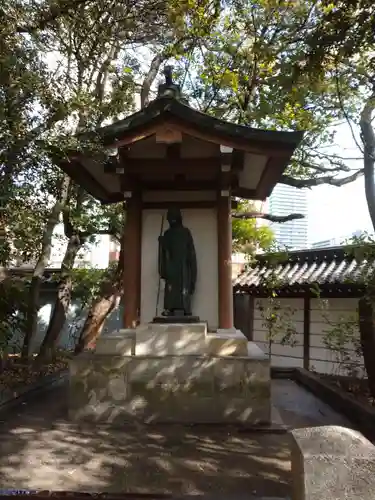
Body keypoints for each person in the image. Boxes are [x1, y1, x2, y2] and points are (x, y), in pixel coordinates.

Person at [158, 207, 197, 316]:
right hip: (171, 265)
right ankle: (170, 308)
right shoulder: (167, 234)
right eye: (170, 218)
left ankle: (185, 308)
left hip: (183, 265)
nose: (171, 220)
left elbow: (191, 252)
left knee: (183, 287)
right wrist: (162, 244)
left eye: (173, 218)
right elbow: (165, 252)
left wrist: (193, 271)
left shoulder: (185, 232)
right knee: (171, 288)